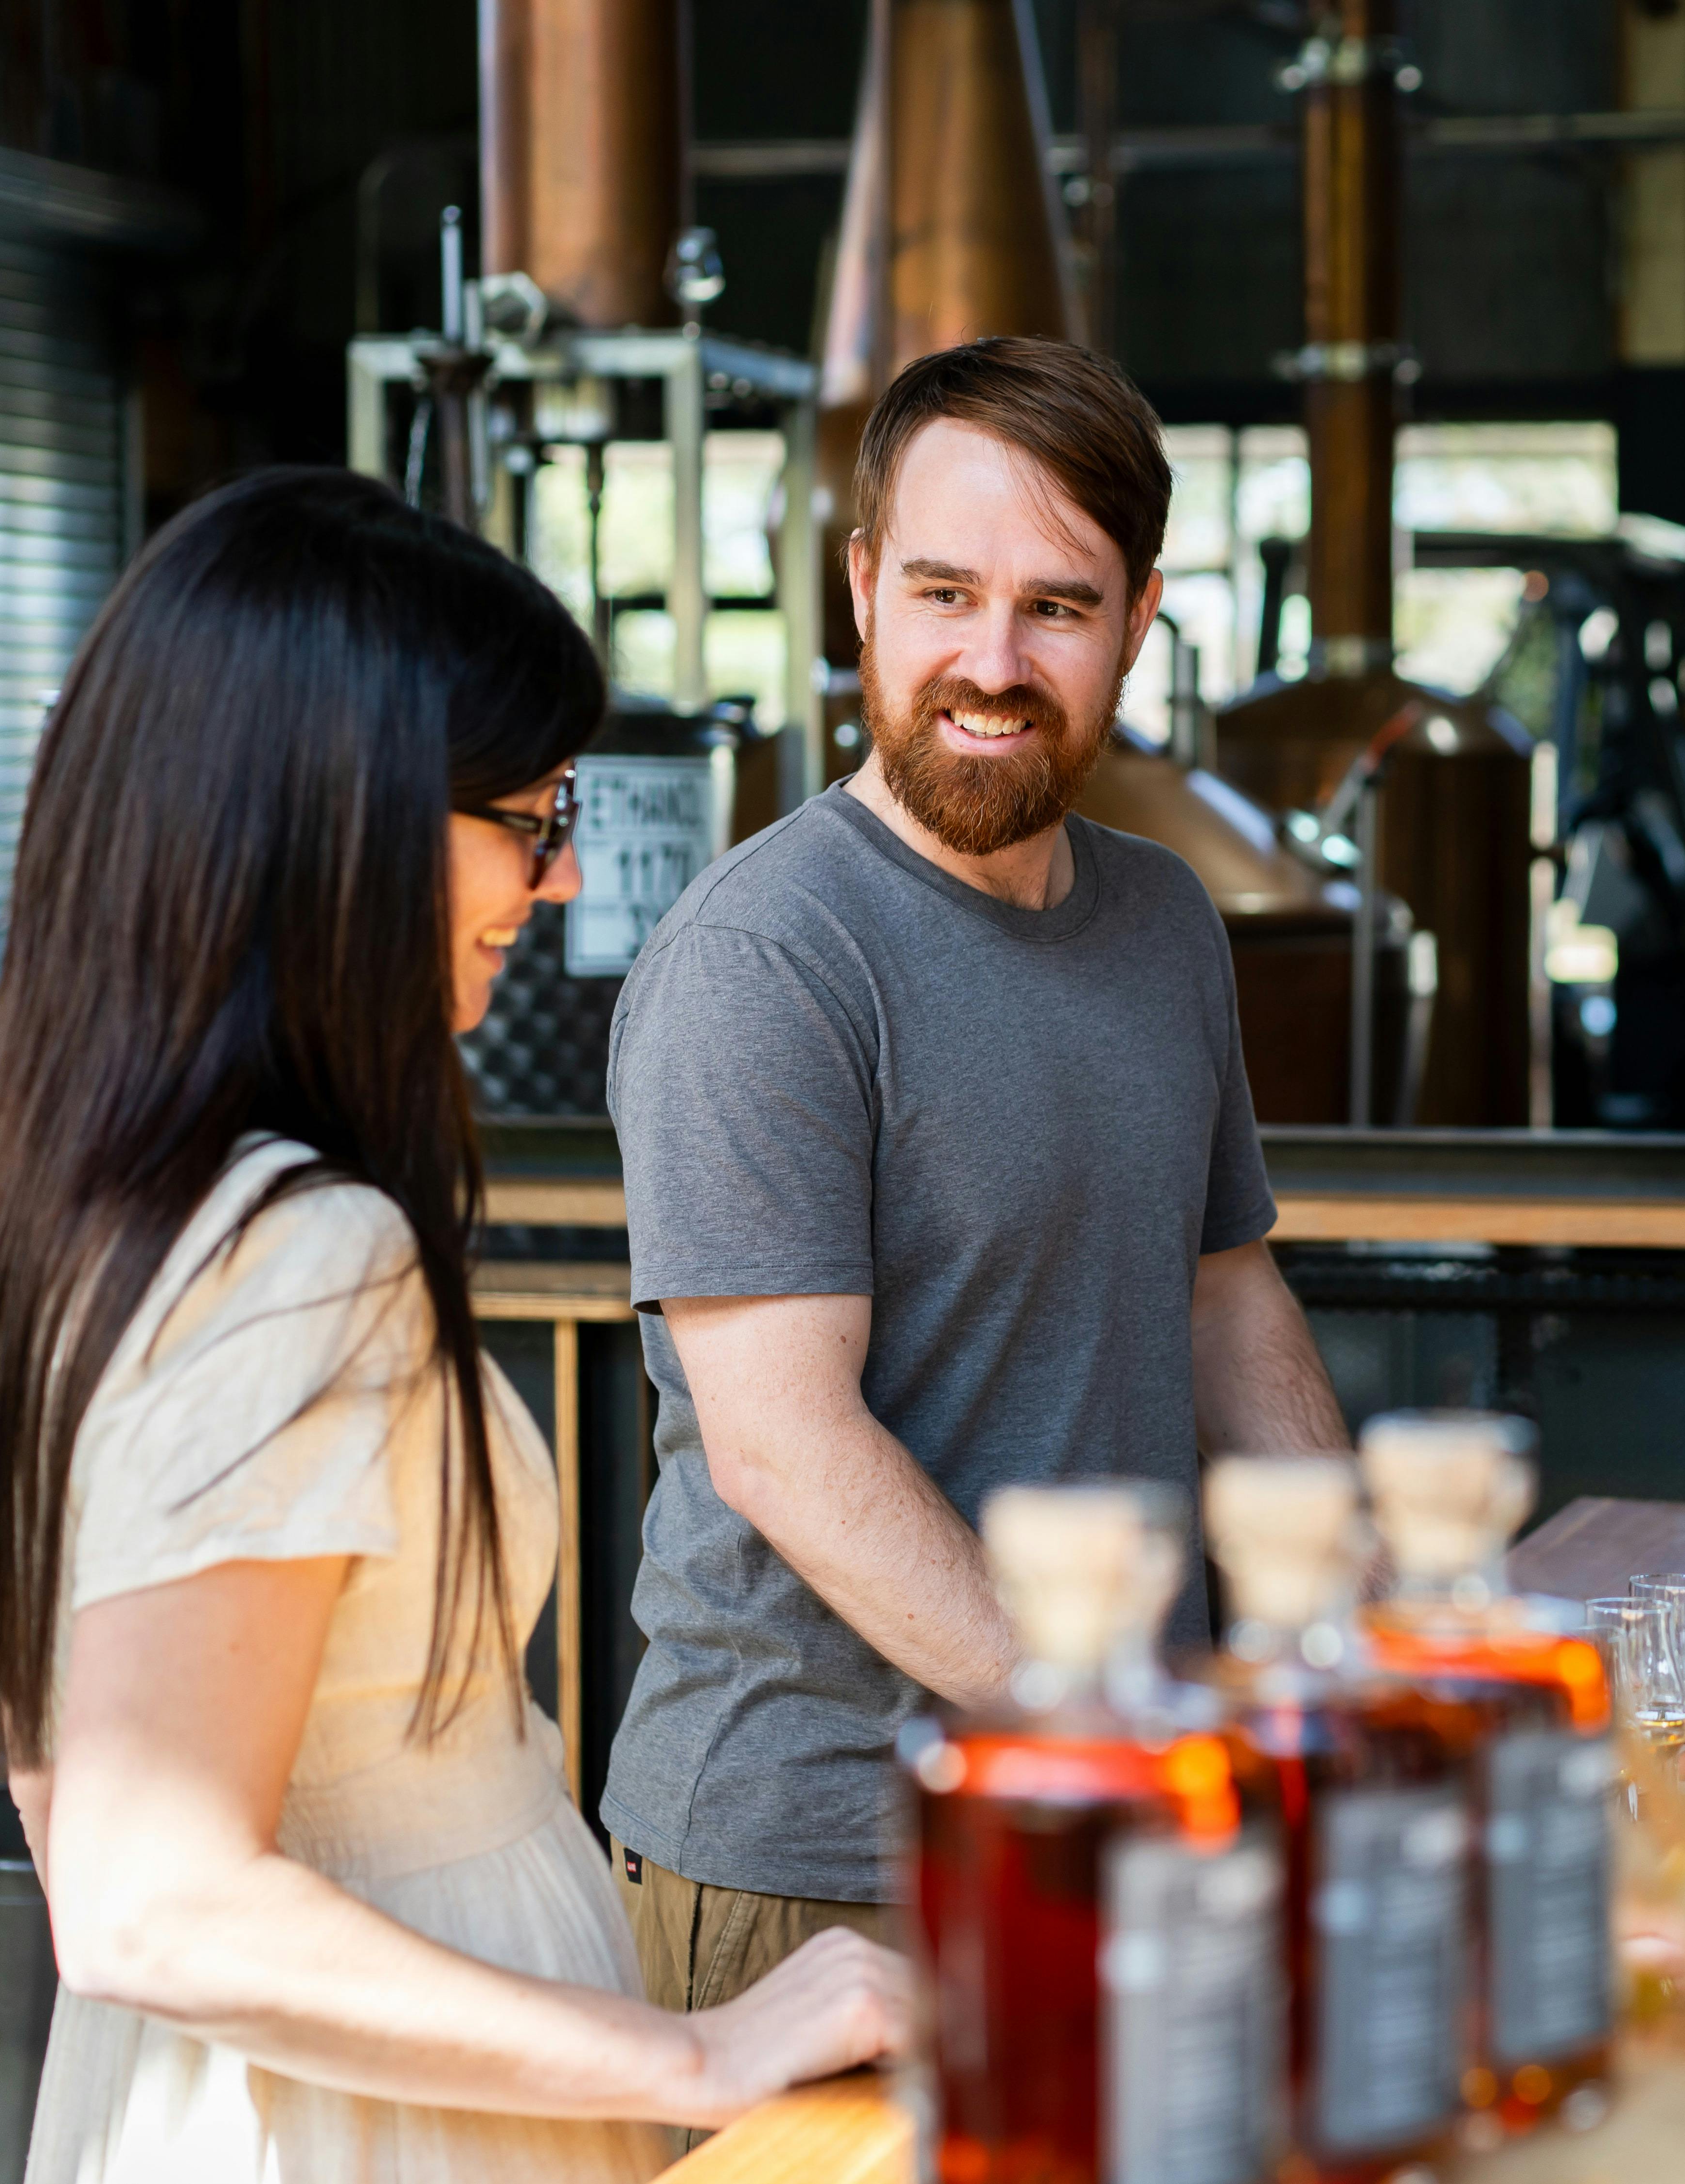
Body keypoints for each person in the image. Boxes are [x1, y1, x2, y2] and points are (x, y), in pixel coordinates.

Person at [0, 470, 903, 2184]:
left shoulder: (49, 1205)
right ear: (340, 824)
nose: (567, 869)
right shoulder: (297, 1255)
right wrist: (707, 2041)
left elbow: (81, 1841)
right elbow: (155, 1901)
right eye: (526, 812)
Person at [600, 336, 1351, 2009]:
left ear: (1140, 619)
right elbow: (790, 1446)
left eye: (1057, 608)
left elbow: (1229, 1303)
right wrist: (1117, 1716)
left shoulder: (1162, 920)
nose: (991, 660)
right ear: (862, 585)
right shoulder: (768, 956)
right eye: (944, 591)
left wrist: (1359, 1631)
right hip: (826, 1867)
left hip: (1111, 1798)